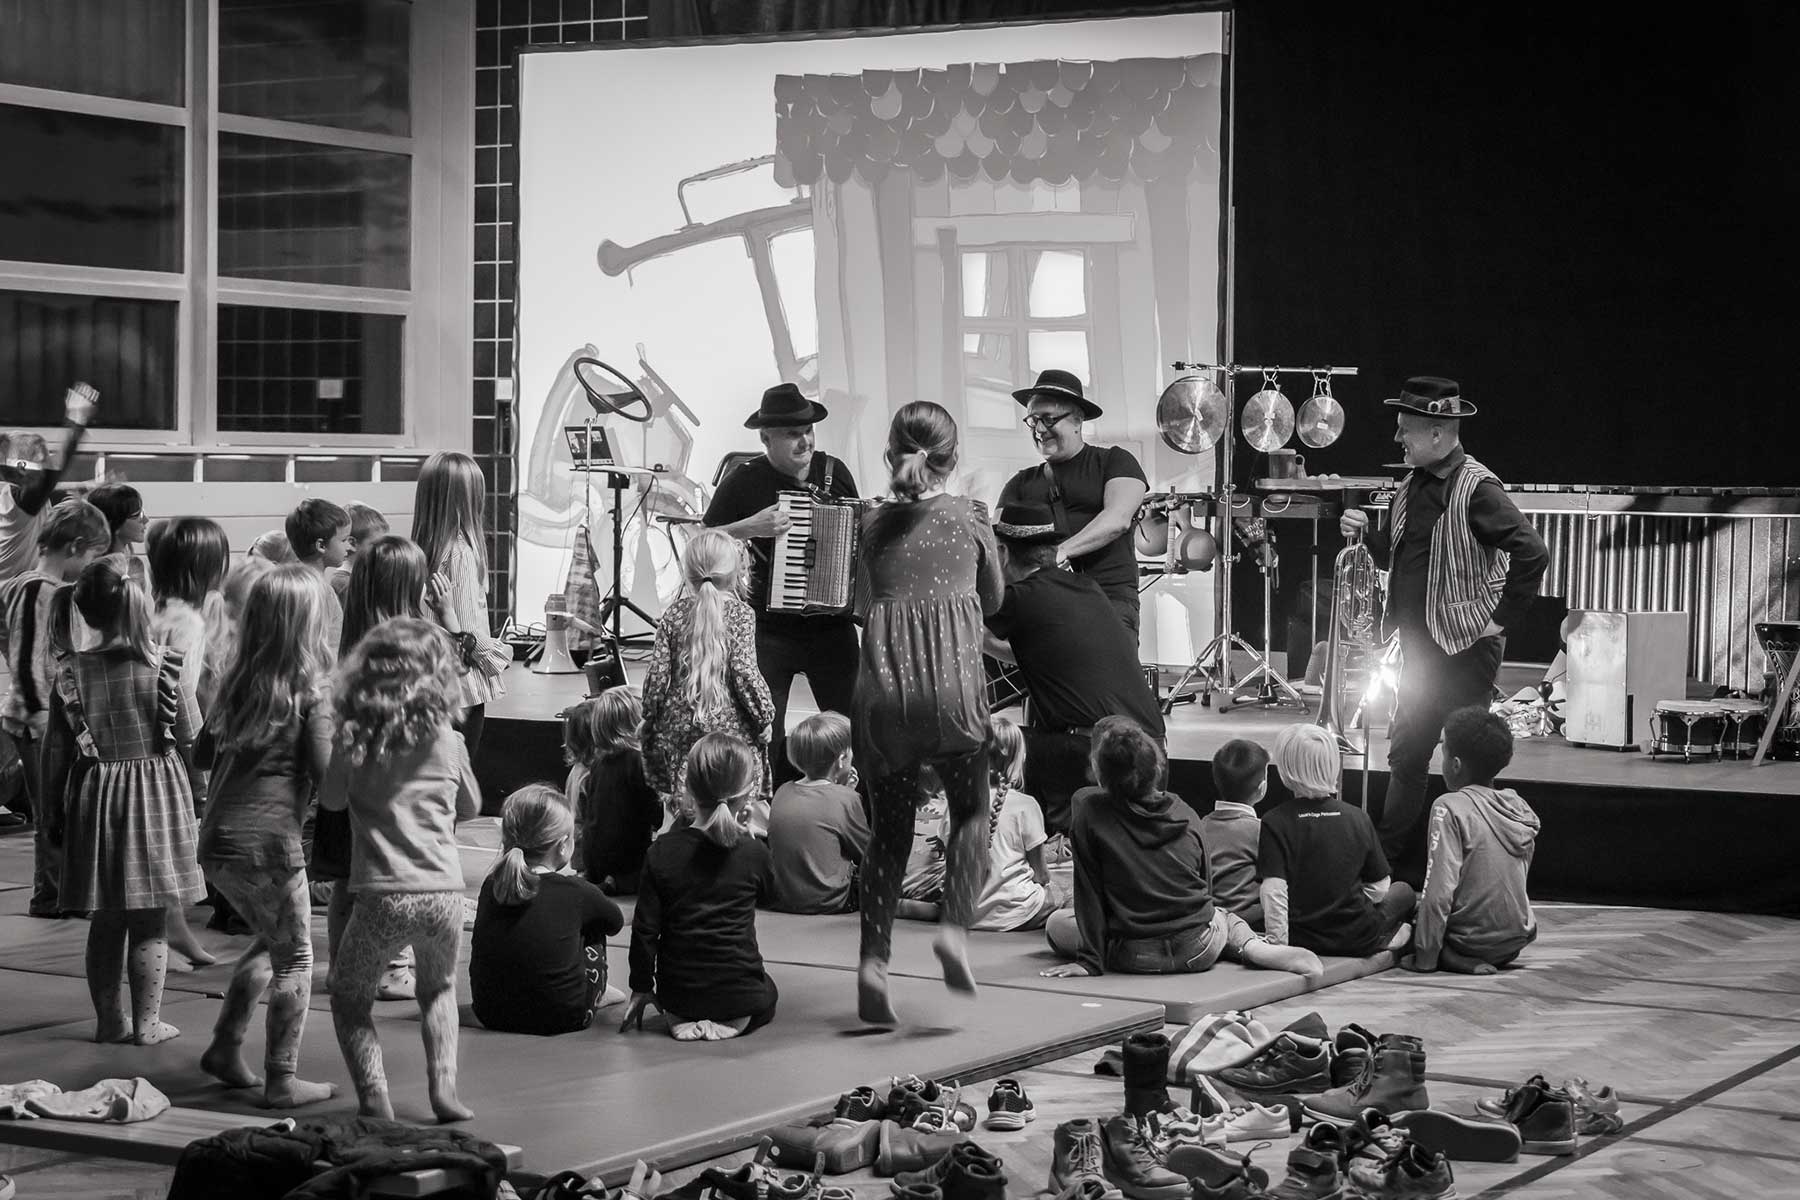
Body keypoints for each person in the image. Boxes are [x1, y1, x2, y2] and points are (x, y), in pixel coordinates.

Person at [1339, 377, 1547, 883]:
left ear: (1436, 433)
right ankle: (1388, 866)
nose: (1397, 438)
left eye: (1405, 429)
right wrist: (1365, 533)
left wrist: (1500, 619)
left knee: (1467, 762)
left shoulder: (1479, 488)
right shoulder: (1410, 485)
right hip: (1419, 652)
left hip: (1464, 653)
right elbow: (1405, 557)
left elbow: (1533, 552)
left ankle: (1475, 867)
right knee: (1407, 755)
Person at [852, 401, 1004, 1025]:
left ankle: (873, 964)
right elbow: (994, 599)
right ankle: (954, 932)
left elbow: (861, 605)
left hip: (885, 696)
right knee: (970, 812)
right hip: (951, 693)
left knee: (889, 836)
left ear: (890, 455)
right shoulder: (970, 517)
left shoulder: (871, 525)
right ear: (953, 457)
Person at [320, 616, 480, 1122]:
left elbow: (330, 799)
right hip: (445, 893)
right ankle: (444, 1090)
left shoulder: (356, 738)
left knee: (349, 997)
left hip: (383, 894)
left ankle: (374, 1096)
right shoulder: (448, 738)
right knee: (438, 989)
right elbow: (472, 806)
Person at [40, 562, 205, 1045]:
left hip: (96, 798)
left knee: (106, 918)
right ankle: (147, 1023)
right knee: (149, 919)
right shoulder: (166, 667)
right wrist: (201, 794)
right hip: (156, 797)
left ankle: (110, 1022)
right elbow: (192, 739)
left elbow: (56, 751)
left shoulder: (70, 672)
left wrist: (51, 811)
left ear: (83, 610)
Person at [194, 563, 337, 1108]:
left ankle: (226, 1046)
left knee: (271, 939)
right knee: (296, 958)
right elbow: (328, 777)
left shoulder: (236, 685)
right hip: (269, 846)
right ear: (310, 625)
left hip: (218, 843)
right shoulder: (312, 692)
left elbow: (202, 754)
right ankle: (282, 1078)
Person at [1042, 718, 1319, 979]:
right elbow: (1205, 887)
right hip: (1200, 948)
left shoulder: (1089, 812)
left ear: (1101, 774)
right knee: (1223, 916)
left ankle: (1240, 944)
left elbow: (1089, 893)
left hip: (1135, 955)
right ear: (1157, 767)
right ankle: (1251, 947)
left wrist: (1089, 961)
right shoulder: (1182, 810)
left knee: (1056, 924)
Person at [323, 535, 470, 1001]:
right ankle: (393, 968)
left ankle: (342, 965)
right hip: (399, 778)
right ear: (409, 586)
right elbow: (458, 679)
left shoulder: (352, 636)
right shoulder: (416, 639)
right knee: (395, 871)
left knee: (349, 881)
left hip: (353, 772)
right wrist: (449, 617)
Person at [702, 383, 860, 784]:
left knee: (851, 726)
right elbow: (702, 540)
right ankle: (765, 806)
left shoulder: (835, 472)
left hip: (832, 627)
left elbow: (857, 537)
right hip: (770, 630)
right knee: (764, 729)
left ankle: (850, 804)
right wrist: (750, 526)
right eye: (792, 434)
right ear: (765, 438)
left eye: (808, 430)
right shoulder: (744, 479)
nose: (805, 441)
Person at [982, 500, 1164, 832]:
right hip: (1151, 748)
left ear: (1003, 553)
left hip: (1096, 754)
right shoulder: (1086, 587)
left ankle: (1029, 842)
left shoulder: (1021, 597)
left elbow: (965, 628)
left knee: (993, 743)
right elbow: (1034, 653)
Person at [622, 733, 779, 1041]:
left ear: (689, 788)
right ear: (746, 795)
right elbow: (773, 897)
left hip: (680, 998)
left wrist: (641, 988)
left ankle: (687, 1019)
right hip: (740, 998)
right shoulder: (752, 852)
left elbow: (644, 931)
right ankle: (731, 1021)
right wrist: (749, 839)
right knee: (768, 987)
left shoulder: (661, 851)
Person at [0, 498, 108, 916]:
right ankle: (52, 895)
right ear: (76, 546)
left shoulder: (32, 586)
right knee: (54, 811)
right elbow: (28, 658)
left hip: (46, 715)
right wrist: (40, 715)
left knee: (62, 807)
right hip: (39, 719)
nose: (92, 564)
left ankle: (62, 891)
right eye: (93, 555)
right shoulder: (39, 590)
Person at [997, 370, 1148, 634]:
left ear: (1078, 419)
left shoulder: (1115, 461)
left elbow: (1118, 519)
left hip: (1106, 600)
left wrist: (1059, 552)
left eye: (1049, 419)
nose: (1039, 429)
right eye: (1033, 420)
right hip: (1042, 603)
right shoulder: (1020, 482)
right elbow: (998, 544)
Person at [471, 784, 626, 1035]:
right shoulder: (576, 891)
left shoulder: (492, 885)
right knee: (595, 922)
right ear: (563, 845)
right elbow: (615, 922)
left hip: (490, 1012)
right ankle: (598, 990)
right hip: (564, 1016)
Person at [145, 516, 233, 955]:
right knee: (178, 832)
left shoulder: (157, 610)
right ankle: (171, 921)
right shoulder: (188, 623)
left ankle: (173, 920)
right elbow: (181, 689)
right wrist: (200, 749)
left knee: (168, 834)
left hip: (159, 738)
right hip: (175, 742)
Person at [640, 530, 775, 811]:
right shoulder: (742, 615)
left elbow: (658, 675)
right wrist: (764, 717)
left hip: (681, 728)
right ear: (734, 572)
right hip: (732, 733)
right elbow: (744, 672)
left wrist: (649, 716)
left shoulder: (673, 614)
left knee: (689, 804)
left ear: (688, 573)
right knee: (733, 794)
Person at [1403, 706, 1539, 975]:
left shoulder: (1449, 806)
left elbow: (1439, 890)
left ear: (1455, 765)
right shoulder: (1518, 806)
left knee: (1405, 909)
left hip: (1471, 942)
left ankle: (1451, 958)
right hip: (1516, 939)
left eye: (1442, 753)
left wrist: (1425, 957)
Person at [1260, 724, 1414, 958]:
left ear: (1285, 769)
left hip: (1301, 937)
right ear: (1333, 765)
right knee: (1403, 891)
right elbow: (1380, 888)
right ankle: (1390, 935)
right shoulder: (1357, 817)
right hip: (1356, 936)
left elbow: (1274, 892)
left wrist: (1280, 950)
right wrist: (1344, 899)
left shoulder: (1274, 821)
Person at [412, 451, 512, 761]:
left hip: (431, 679)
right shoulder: (460, 553)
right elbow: (467, 632)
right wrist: (500, 655)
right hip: (462, 688)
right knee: (458, 773)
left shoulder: (420, 550)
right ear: (465, 499)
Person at [766, 710, 869, 915]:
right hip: (829, 901)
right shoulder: (846, 799)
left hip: (781, 899)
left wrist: (843, 793)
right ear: (841, 759)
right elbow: (866, 852)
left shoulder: (783, 791)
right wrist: (848, 794)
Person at [971, 715, 1066, 933]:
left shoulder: (954, 803)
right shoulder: (1026, 805)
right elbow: (1041, 875)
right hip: (1016, 913)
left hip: (967, 914)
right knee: (1068, 888)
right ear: (1019, 759)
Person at [564, 686, 660, 895]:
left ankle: (602, 878)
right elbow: (654, 812)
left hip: (593, 857)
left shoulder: (599, 763)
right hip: (624, 859)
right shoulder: (637, 761)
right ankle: (619, 882)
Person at [0, 382, 96, 585]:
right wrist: (76, 420)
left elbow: (53, 489)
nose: (47, 464)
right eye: (42, 460)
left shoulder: (14, 495)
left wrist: (89, 488)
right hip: (9, 598)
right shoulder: (19, 502)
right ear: (22, 468)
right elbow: (53, 474)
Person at [1201, 739, 1269, 928]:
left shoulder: (1199, 826)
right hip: (1253, 926)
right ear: (1262, 788)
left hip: (1211, 926)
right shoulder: (1261, 831)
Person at [286, 498, 351, 653]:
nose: (348, 546)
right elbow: (324, 650)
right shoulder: (323, 594)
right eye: (343, 540)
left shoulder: (285, 584)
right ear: (321, 545)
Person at [88, 482, 151, 591]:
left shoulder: (130, 562)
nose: (146, 520)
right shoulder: (100, 575)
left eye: (142, 512)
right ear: (114, 524)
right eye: (138, 515)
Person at [332, 503, 390, 600]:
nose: (383, 549)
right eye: (376, 544)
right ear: (352, 543)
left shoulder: (365, 574)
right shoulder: (344, 583)